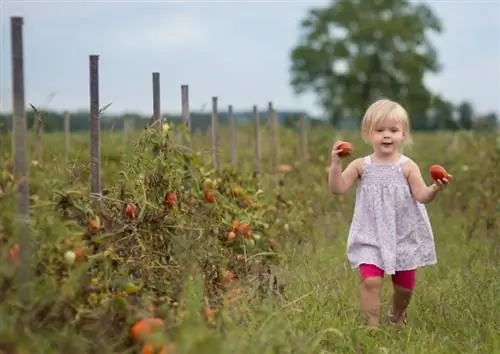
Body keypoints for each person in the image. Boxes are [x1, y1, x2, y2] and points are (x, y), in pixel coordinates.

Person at [327, 98, 452, 328]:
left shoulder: (407, 166)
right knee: (370, 282)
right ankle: (370, 328)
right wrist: (335, 164)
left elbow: (421, 196)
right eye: (380, 130)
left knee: (404, 288)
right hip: (370, 233)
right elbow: (338, 188)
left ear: (403, 134)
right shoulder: (360, 165)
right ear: (368, 133)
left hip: (402, 233)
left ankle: (396, 315)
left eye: (393, 130)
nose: (386, 135)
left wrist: (435, 188)